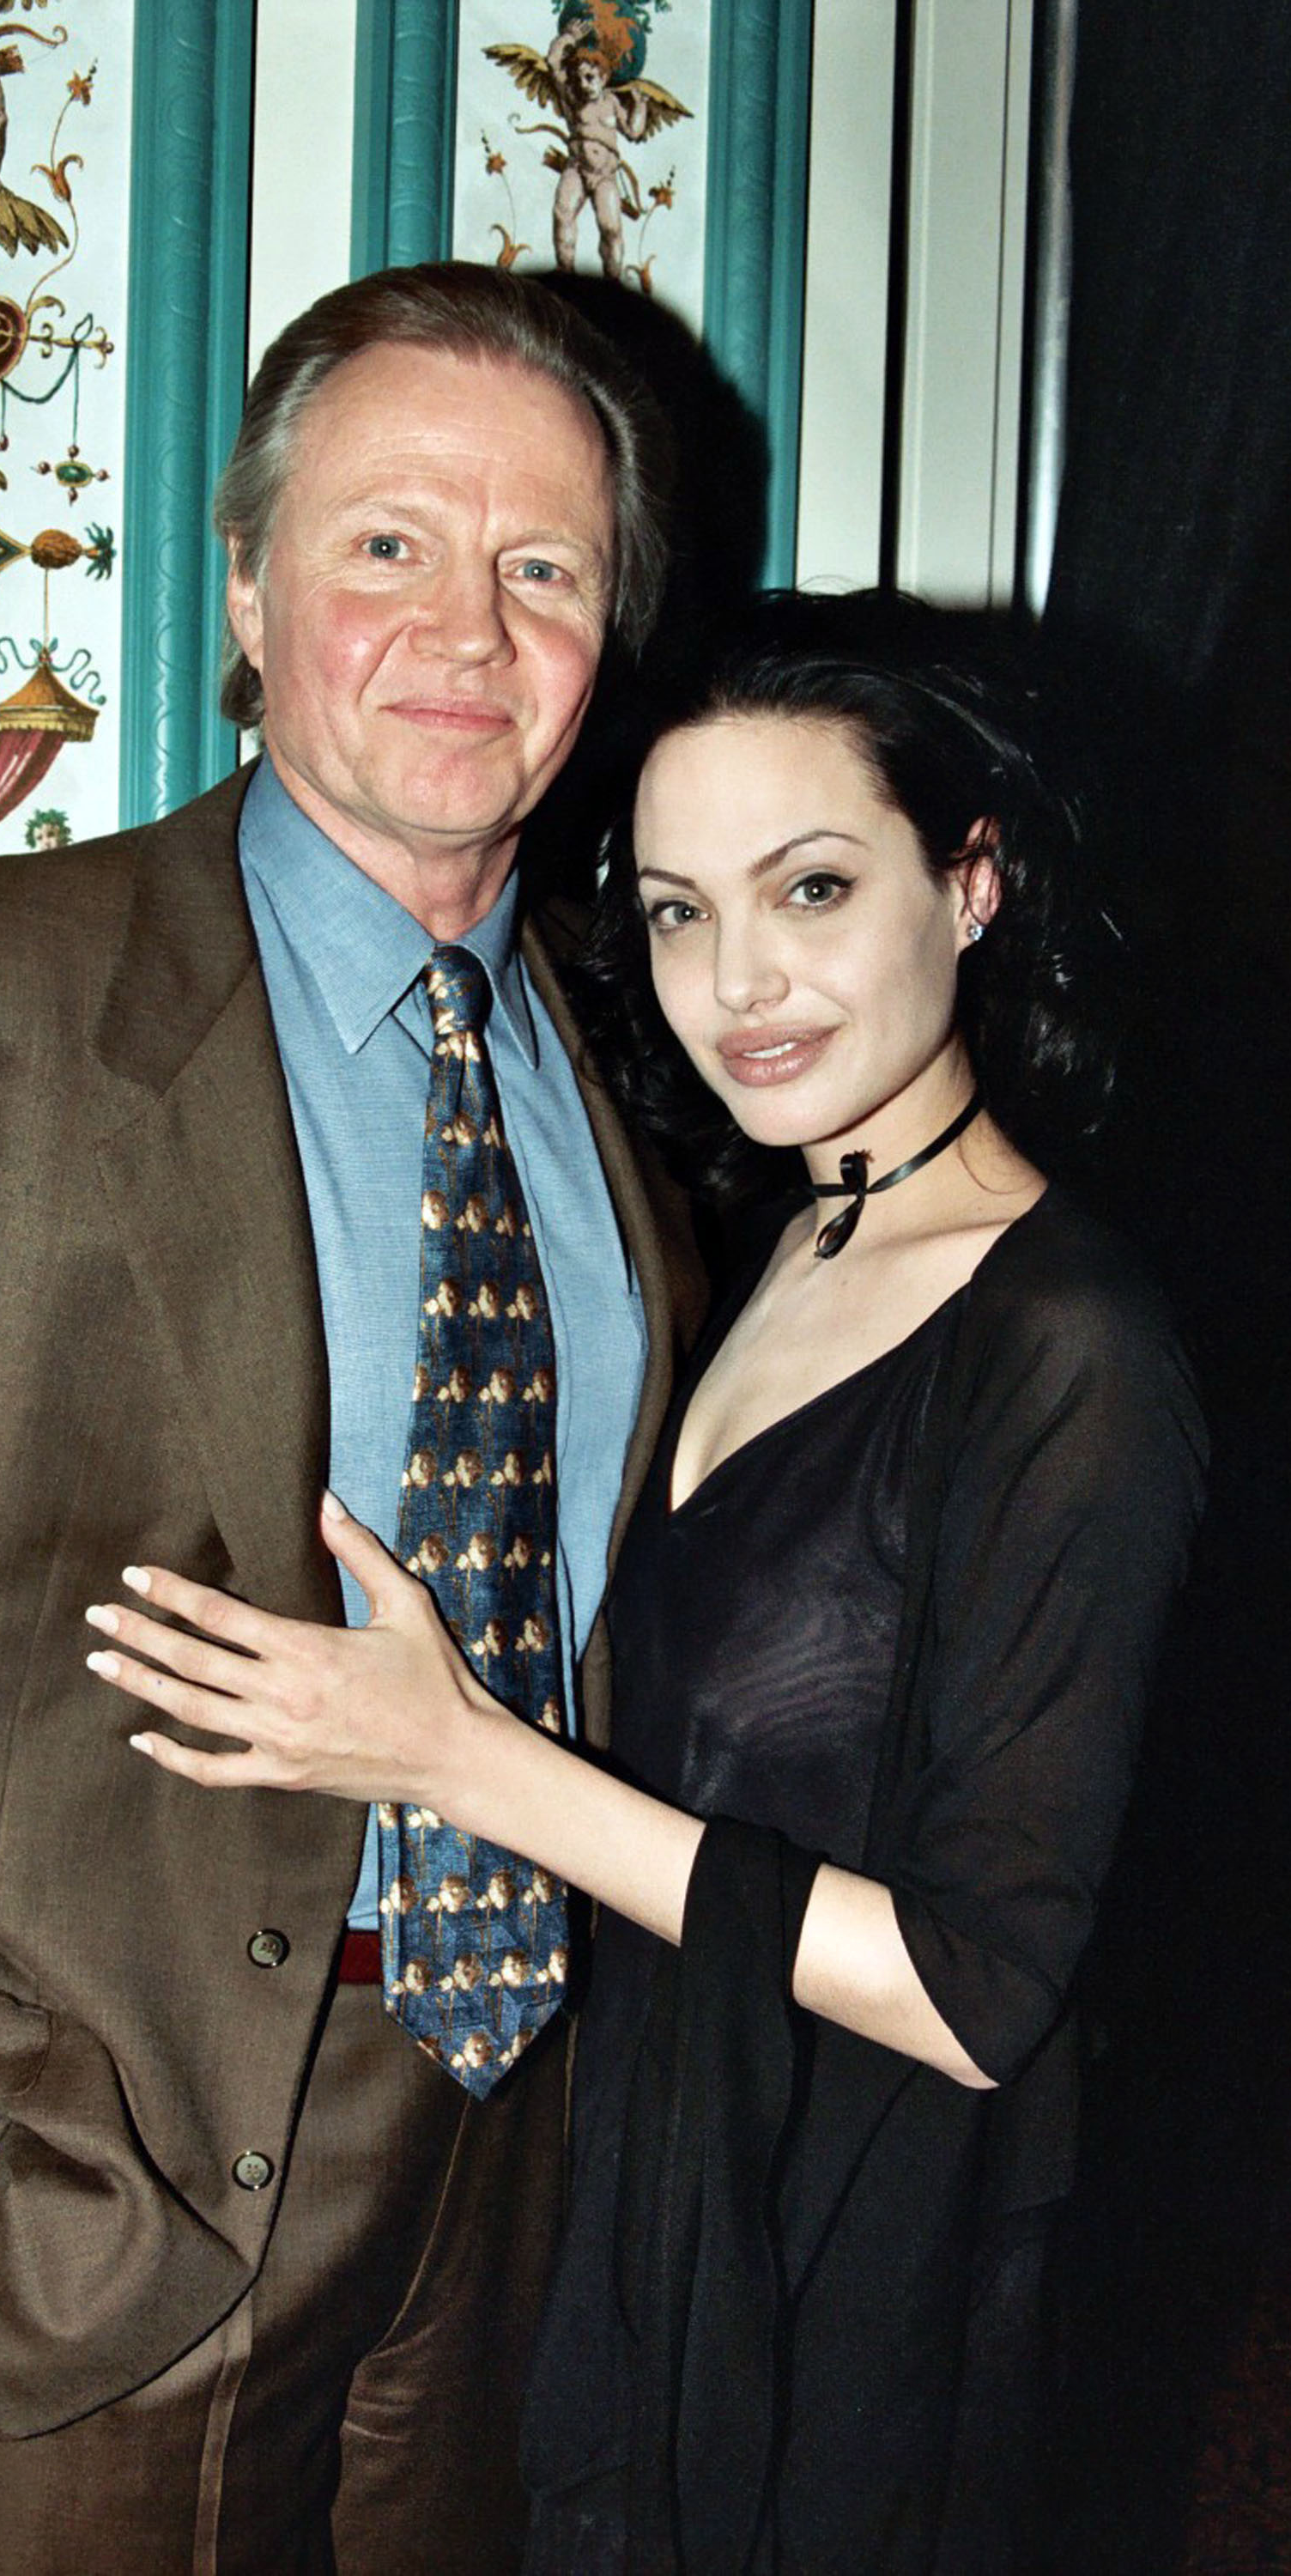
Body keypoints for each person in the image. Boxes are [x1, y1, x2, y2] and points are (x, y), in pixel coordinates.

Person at [0, 264, 702, 2575]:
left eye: (543, 567)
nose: (468, 626)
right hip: (111, 2158)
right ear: (245, 583)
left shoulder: (634, 1075)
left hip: (512, 2134)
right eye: (387, 543)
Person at [85, 593, 1208, 2571]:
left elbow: (976, 1988)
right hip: (672, 2157)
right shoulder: (789, 1234)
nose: (738, 982)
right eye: (680, 911)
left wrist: (455, 1758)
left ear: (974, 883)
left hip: (868, 2251)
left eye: (813, 889)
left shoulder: (1075, 1353)